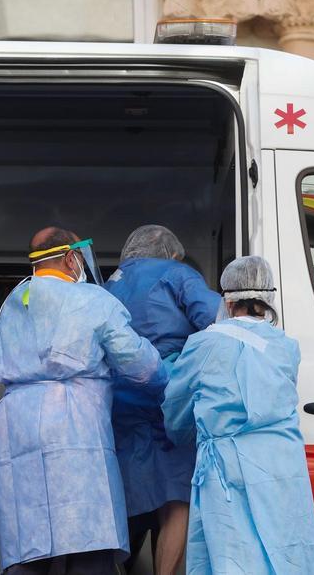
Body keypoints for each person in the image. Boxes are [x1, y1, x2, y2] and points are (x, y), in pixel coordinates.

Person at [0, 227, 167, 574]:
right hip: (71, 424)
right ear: (72, 258)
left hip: (15, 425)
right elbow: (139, 364)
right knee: (88, 539)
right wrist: (168, 380)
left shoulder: (12, 302)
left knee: (29, 543)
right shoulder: (91, 299)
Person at [162, 256, 314, 575]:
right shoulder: (287, 346)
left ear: (228, 298)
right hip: (282, 464)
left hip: (229, 466)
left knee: (232, 554)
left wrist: (178, 434)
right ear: (268, 299)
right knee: (285, 548)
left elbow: (176, 405)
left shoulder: (204, 343)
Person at [105, 225, 221, 575]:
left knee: (124, 497)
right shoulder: (177, 273)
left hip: (117, 404)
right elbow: (218, 321)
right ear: (171, 253)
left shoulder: (107, 286)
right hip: (167, 400)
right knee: (177, 499)